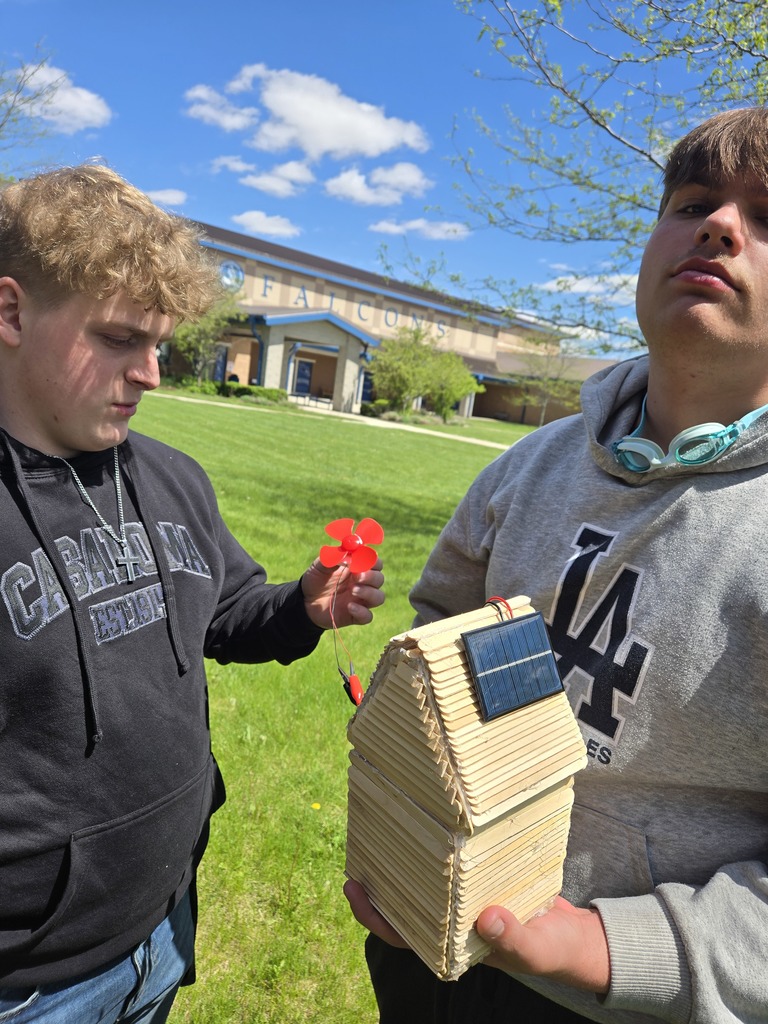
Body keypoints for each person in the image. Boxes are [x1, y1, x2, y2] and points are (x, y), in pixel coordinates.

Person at [345, 105, 768, 1023]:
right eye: (692, 202)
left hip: (631, 999)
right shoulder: (525, 467)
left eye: (766, 217)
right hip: (432, 941)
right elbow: (437, 636)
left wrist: (606, 948)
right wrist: (403, 823)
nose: (720, 227)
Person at [0, 163, 384, 1023]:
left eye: (161, 344)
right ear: (12, 312)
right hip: (29, 988)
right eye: (118, 339)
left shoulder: (172, 478)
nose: (151, 374)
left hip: (164, 925)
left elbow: (226, 611)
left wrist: (303, 604)